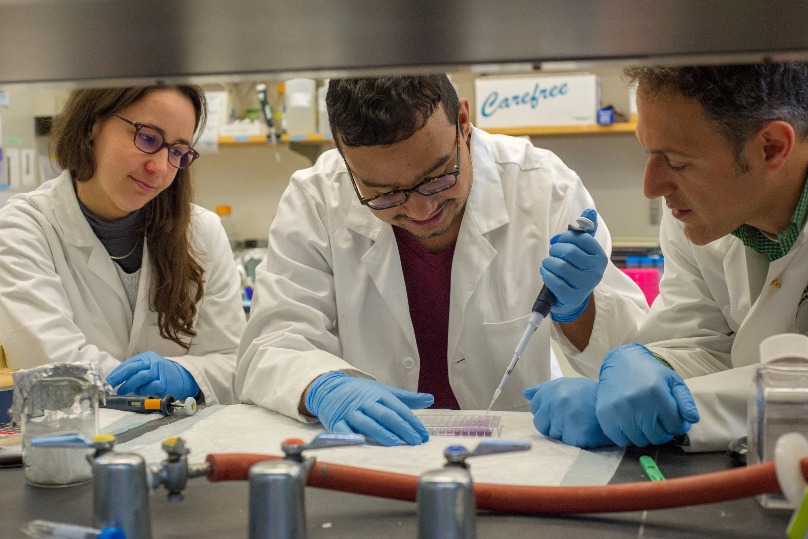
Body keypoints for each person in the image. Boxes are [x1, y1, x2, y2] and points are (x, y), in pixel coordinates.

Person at [236, 75, 647, 446]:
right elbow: (271, 344)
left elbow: (636, 358)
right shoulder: (316, 199)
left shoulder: (543, 185)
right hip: (372, 453)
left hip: (515, 454)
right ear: (344, 158)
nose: (420, 209)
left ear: (464, 123)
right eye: (383, 193)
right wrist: (327, 387)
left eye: (437, 177)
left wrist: (580, 309)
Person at [528, 62, 808, 452]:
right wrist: (650, 367)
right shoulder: (698, 213)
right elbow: (699, 342)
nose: (652, 187)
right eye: (648, 154)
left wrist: (679, 412)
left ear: (772, 147)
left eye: (677, 162)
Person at [0, 86, 246, 405]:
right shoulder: (24, 229)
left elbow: (234, 363)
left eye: (177, 152)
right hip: (74, 444)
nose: (159, 168)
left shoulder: (201, 231)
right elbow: (55, 366)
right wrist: (145, 393)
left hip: (184, 445)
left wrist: (185, 375)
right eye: (147, 138)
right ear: (92, 126)